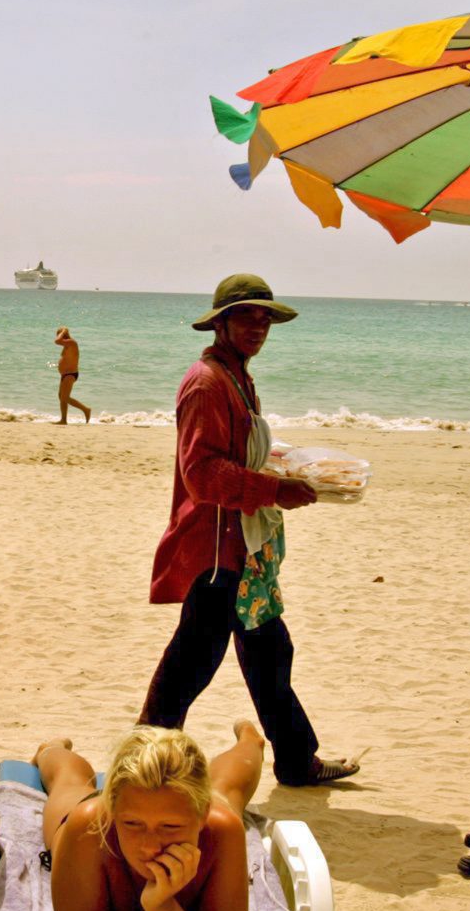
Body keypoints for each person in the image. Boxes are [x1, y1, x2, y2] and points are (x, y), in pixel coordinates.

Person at [139, 274, 357, 787]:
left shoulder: (236, 376)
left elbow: (235, 453)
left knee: (268, 650)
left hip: (242, 545)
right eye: (246, 317)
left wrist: (281, 466)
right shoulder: (207, 383)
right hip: (217, 549)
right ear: (220, 323)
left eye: (265, 319)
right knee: (192, 661)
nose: (258, 327)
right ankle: (143, 761)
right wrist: (273, 489)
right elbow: (202, 473)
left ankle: (297, 760)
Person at [39, 725, 266, 911]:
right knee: (68, 782)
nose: (149, 847)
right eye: (132, 824)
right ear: (112, 809)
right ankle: (51, 749)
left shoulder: (221, 830)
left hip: (202, 810)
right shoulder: (88, 830)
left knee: (228, 788)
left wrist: (161, 907)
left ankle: (251, 740)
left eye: (170, 827)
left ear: (203, 814)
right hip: (92, 820)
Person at [55, 326, 92, 425]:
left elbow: (57, 341)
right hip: (65, 374)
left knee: (65, 397)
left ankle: (86, 410)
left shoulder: (72, 342)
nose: (58, 336)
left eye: (59, 334)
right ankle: (63, 420)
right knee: (61, 396)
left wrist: (63, 331)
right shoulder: (67, 344)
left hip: (70, 374)